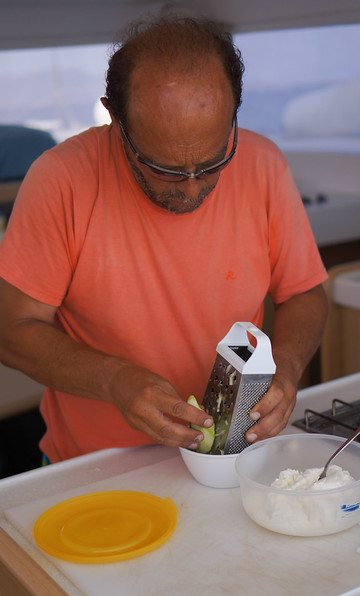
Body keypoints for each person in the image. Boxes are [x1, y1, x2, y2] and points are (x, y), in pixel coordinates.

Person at [0, 16, 328, 464]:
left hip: (230, 461)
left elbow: (304, 292)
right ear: (115, 117)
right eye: (165, 169)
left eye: (213, 162)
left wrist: (288, 366)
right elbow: (11, 330)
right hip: (94, 470)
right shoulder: (61, 180)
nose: (192, 188)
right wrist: (114, 380)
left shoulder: (263, 165)